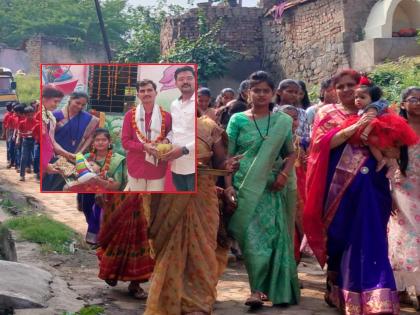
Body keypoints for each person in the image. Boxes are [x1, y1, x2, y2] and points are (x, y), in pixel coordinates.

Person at [304, 69, 399, 314]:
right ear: (333, 90)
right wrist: (354, 129)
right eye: (341, 86)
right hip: (338, 186)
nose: (346, 90)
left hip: (373, 185)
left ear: (361, 88)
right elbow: (319, 145)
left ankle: (376, 294)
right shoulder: (327, 113)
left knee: (371, 234)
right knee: (340, 235)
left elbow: (394, 144)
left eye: (351, 85)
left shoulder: (380, 111)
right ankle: (339, 290)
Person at [144, 112, 239, 315]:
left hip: (202, 196)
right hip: (172, 195)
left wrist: (229, 166)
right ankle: (170, 299)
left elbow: (221, 163)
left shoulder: (209, 127)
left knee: (203, 246)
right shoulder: (162, 130)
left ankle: (198, 303)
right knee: (171, 244)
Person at [225, 71, 300, 307]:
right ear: (248, 93)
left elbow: (290, 153)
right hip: (244, 185)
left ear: (272, 94)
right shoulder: (237, 120)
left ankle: (261, 290)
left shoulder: (282, 121)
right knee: (250, 239)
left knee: (269, 238)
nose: (260, 94)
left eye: (265, 90)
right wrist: (227, 186)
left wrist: (284, 174)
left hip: (271, 187)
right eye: (256, 90)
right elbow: (227, 157)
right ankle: (257, 289)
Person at [389, 87, 420, 311]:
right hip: (403, 187)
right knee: (403, 236)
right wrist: (390, 189)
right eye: (413, 99)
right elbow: (390, 160)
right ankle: (400, 289)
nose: (418, 103)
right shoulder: (397, 129)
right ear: (403, 104)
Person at [341, 80, 417, 170]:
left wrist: (364, 133)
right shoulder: (365, 108)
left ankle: (382, 160)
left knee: (373, 143)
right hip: (376, 129)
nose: (358, 100)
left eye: (362, 97)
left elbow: (372, 120)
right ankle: (386, 161)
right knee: (374, 144)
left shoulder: (372, 108)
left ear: (372, 99)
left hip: (377, 128)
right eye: (356, 97)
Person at [95, 193, 154, 300]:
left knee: (140, 237)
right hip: (119, 195)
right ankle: (111, 271)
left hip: (143, 196)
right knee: (116, 234)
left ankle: (135, 283)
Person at [121, 79, 172, 191]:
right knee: (136, 202)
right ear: (138, 94)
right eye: (142, 91)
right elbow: (125, 142)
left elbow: (171, 135)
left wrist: (166, 141)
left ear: (155, 93)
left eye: (149, 90)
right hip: (136, 166)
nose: (146, 93)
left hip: (157, 167)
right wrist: (143, 146)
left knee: (154, 202)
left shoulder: (166, 116)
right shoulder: (130, 116)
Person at [42, 91, 99, 191]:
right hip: (54, 156)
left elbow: (90, 136)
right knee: (49, 184)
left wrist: (80, 152)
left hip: (74, 157)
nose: (80, 106)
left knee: (66, 186)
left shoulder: (88, 119)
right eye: (77, 103)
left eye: (83, 105)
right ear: (70, 99)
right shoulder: (55, 116)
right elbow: (50, 140)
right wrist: (65, 154)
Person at [161, 66, 196, 191]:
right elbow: (175, 130)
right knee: (180, 203)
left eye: (189, 78)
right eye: (181, 79)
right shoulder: (174, 104)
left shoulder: (200, 102)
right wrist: (167, 140)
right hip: (177, 165)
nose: (185, 81)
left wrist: (184, 150)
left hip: (195, 165)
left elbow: (206, 136)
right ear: (176, 83)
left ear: (195, 80)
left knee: (195, 205)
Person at [40, 85, 64, 175]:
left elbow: (51, 141)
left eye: (59, 102)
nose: (57, 105)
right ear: (44, 98)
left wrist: (68, 155)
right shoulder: (39, 114)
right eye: (55, 101)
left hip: (47, 158)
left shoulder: (49, 115)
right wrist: (44, 165)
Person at [18, 106, 36, 181]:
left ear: (34, 114)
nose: (30, 116)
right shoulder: (22, 123)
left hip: (35, 141)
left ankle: (37, 173)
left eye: (32, 115)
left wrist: (32, 133)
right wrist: (19, 139)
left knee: (35, 157)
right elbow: (19, 132)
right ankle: (22, 175)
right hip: (26, 141)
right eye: (28, 115)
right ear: (25, 115)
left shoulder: (37, 122)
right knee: (24, 157)